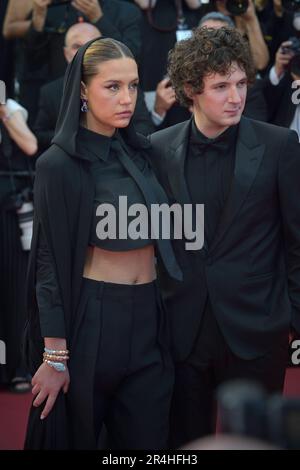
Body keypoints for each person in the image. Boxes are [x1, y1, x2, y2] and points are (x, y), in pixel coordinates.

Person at [24, 36, 182, 450]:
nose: (127, 97)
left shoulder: (145, 154)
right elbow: (48, 263)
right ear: (81, 90)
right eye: (112, 86)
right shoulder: (57, 165)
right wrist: (54, 355)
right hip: (93, 320)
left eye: (132, 85)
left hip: (150, 318)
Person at [149, 26, 300, 448]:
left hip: (257, 328)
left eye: (240, 83)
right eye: (221, 86)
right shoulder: (158, 150)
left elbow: (297, 242)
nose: (236, 97)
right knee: (183, 445)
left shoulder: (279, 146)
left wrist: (295, 322)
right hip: (181, 330)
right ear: (190, 89)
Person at [34, 22, 154, 152]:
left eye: (92, 47)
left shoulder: (127, 87)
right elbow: (40, 135)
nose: (126, 99)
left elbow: (145, 126)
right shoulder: (50, 92)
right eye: (77, 46)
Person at [0, 97, 37, 392]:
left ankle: (18, 367)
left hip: (9, 212)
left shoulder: (10, 107)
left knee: (13, 292)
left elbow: (31, 146)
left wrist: (5, 115)